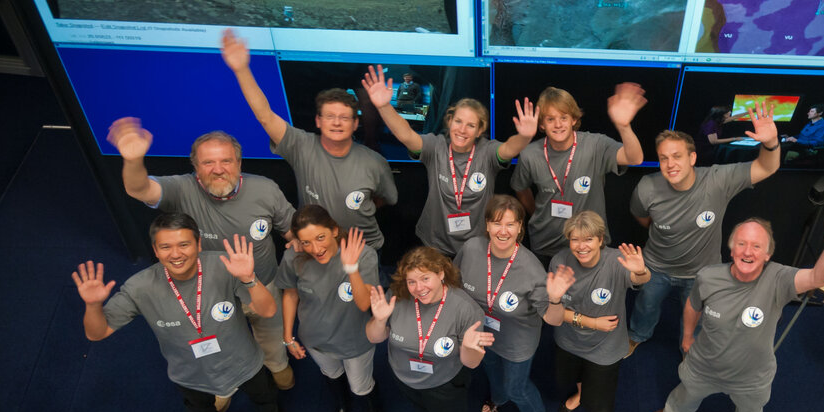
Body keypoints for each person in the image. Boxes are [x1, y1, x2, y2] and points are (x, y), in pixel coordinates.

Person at [641, 211, 824, 412]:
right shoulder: (708, 277)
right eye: (741, 244)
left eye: (756, 246)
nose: (748, 251)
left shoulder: (778, 279)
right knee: (684, 395)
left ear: (767, 254)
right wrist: (688, 336)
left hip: (751, 376)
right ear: (731, 249)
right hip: (704, 365)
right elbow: (693, 307)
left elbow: (817, 278)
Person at [71, 213, 306, 412]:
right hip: (189, 372)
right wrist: (93, 306)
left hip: (243, 360)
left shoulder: (225, 266)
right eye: (166, 247)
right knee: (199, 411)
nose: (176, 254)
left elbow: (268, 310)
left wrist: (248, 279)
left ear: (199, 244)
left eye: (184, 244)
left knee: (266, 395)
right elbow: (96, 333)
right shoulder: (139, 287)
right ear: (155, 250)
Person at [106, 118, 297, 399]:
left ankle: (276, 365)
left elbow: (290, 230)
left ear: (239, 163)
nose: (218, 170)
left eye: (226, 161)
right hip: (209, 291)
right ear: (195, 169)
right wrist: (133, 160)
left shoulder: (266, 189)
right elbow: (140, 189)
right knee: (219, 343)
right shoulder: (181, 188)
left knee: (270, 334)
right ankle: (224, 389)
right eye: (208, 163)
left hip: (261, 282)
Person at [220, 30, 398, 258]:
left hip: (364, 251)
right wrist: (242, 70)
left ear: (355, 124)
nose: (336, 123)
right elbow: (265, 116)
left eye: (344, 118)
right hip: (314, 251)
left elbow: (384, 198)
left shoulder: (375, 161)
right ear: (318, 121)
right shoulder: (301, 146)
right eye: (329, 116)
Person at [626, 103, 780, 352]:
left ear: (693, 158)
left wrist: (771, 143)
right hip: (656, 267)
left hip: (701, 272)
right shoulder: (647, 186)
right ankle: (637, 335)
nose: (670, 164)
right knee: (646, 305)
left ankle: (689, 348)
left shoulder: (718, 180)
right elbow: (641, 217)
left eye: (677, 156)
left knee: (696, 317)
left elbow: (767, 167)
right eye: (664, 158)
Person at [362, 64, 538, 256]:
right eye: (458, 121)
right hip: (435, 244)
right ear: (449, 121)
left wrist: (524, 137)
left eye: (471, 125)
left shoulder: (487, 152)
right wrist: (384, 106)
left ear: (480, 130)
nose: (462, 130)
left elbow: (508, 149)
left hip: (477, 246)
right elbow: (406, 135)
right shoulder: (435, 147)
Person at [453, 195, 572, 412]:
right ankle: (498, 399)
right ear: (486, 225)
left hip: (518, 342)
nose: (503, 231)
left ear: (520, 228)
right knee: (493, 372)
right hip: (483, 334)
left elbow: (554, 320)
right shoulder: (472, 248)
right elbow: (455, 285)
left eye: (511, 224)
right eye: (497, 223)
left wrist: (555, 299)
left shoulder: (531, 269)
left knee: (517, 387)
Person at [366, 246, 492, 412]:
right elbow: (374, 338)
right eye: (412, 281)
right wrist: (378, 320)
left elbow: (471, 363)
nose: (418, 288)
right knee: (424, 406)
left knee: (451, 411)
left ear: (441, 274)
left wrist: (470, 348)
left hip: (445, 380)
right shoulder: (397, 297)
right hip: (403, 374)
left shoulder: (465, 309)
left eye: (425, 278)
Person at [550, 211, 651, 412]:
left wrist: (641, 272)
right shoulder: (560, 262)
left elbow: (640, 279)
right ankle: (581, 395)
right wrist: (589, 321)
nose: (581, 246)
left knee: (602, 396)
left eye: (588, 240)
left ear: (600, 239)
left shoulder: (617, 259)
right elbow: (552, 315)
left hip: (605, 346)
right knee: (576, 377)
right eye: (575, 240)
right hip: (569, 340)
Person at [276, 205, 382, 412]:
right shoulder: (293, 256)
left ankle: (373, 411)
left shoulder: (363, 255)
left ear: (334, 230)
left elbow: (365, 304)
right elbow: (290, 295)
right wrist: (288, 337)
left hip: (354, 340)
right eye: (306, 242)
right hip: (315, 339)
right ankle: (342, 406)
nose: (315, 249)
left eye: (320, 237)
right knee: (331, 374)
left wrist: (351, 268)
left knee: (360, 385)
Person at [511, 84, 647, 265]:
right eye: (550, 119)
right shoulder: (530, 154)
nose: (558, 124)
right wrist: (537, 213)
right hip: (546, 245)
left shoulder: (596, 145)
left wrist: (624, 126)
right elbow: (520, 188)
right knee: (549, 293)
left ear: (574, 119)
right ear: (542, 124)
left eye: (564, 117)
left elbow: (635, 158)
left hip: (590, 245)